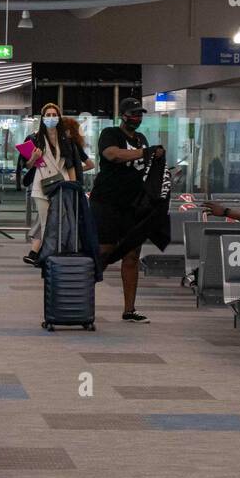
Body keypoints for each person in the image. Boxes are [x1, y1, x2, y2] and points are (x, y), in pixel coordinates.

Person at [90, 98, 165, 323]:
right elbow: (112, 154)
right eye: (133, 114)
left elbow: (145, 167)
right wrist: (146, 153)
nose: (137, 118)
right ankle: (82, 298)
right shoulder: (110, 133)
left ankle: (129, 309)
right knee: (104, 252)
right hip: (106, 204)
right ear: (122, 115)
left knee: (132, 255)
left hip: (132, 206)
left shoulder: (141, 139)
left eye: (140, 115)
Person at [22, 103, 89, 266]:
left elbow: (71, 165)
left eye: (54, 115)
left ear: (58, 117)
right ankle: (48, 256)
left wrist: (74, 187)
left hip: (62, 185)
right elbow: (27, 165)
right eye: (48, 115)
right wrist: (33, 157)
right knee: (46, 222)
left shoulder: (66, 140)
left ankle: (55, 252)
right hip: (42, 185)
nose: (51, 118)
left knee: (62, 219)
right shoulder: (35, 139)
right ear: (43, 118)